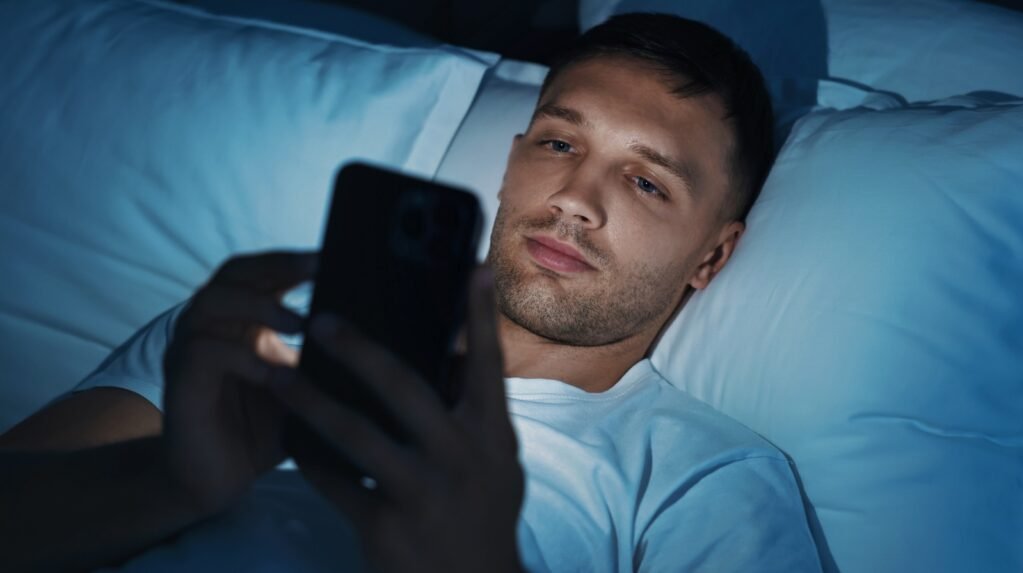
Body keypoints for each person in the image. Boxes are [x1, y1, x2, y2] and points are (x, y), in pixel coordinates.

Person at [0, 13, 822, 572]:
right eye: (559, 143)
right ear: (511, 161)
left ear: (711, 256)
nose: (575, 198)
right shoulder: (266, 329)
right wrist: (170, 481)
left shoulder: (702, 478)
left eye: (645, 182)